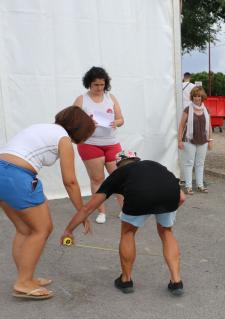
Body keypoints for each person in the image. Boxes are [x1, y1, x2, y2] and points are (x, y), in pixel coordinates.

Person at [0, 106, 95, 300]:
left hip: (3, 171)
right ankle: (24, 282)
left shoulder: (43, 127)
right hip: (18, 175)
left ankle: (25, 277)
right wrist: (82, 212)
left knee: (24, 230)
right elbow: (70, 181)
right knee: (42, 229)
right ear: (80, 129)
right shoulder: (64, 140)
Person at [61, 151, 186, 296]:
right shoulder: (155, 165)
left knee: (128, 233)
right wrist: (165, 209)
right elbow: (182, 198)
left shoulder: (118, 175)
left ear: (118, 165)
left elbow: (88, 208)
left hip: (139, 196)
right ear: (137, 160)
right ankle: (176, 282)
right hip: (169, 194)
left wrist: (68, 231)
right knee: (166, 232)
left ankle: (126, 280)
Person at [74, 66, 125, 224]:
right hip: (90, 144)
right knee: (97, 179)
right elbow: (73, 121)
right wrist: (88, 123)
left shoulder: (111, 97)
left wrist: (114, 122)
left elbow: (121, 120)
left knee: (119, 178)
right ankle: (101, 212)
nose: (99, 88)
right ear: (89, 83)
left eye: (102, 85)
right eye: (96, 84)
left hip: (111, 143)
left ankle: (125, 210)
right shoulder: (82, 99)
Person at [177, 86, 213, 194]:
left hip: (203, 140)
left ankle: (200, 185)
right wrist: (179, 140)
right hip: (189, 140)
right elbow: (181, 126)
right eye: (195, 96)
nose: (197, 98)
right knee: (189, 163)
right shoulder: (187, 109)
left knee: (200, 163)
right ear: (192, 97)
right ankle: (188, 186)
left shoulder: (206, 110)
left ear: (202, 97)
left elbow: (209, 126)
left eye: (199, 96)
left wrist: (210, 140)